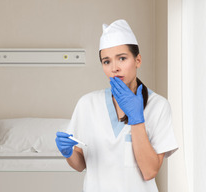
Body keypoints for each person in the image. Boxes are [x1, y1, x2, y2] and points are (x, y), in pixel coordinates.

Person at [55, 19, 178, 192]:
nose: (114, 68)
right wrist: (68, 153)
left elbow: (150, 171)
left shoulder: (158, 106)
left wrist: (136, 119)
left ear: (138, 60)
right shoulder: (87, 104)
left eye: (122, 58)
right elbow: (80, 165)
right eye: (106, 61)